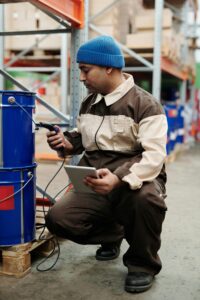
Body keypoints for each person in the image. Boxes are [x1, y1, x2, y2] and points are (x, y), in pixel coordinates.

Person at [45, 35, 168, 293]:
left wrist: (118, 178)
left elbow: (154, 156)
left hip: (136, 180)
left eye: (85, 70)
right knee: (58, 219)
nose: (81, 77)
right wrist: (68, 142)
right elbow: (86, 137)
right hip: (95, 178)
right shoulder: (89, 102)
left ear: (108, 68)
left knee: (146, 201)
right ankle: (114, 234)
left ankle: (142, 264)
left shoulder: (145, 104)